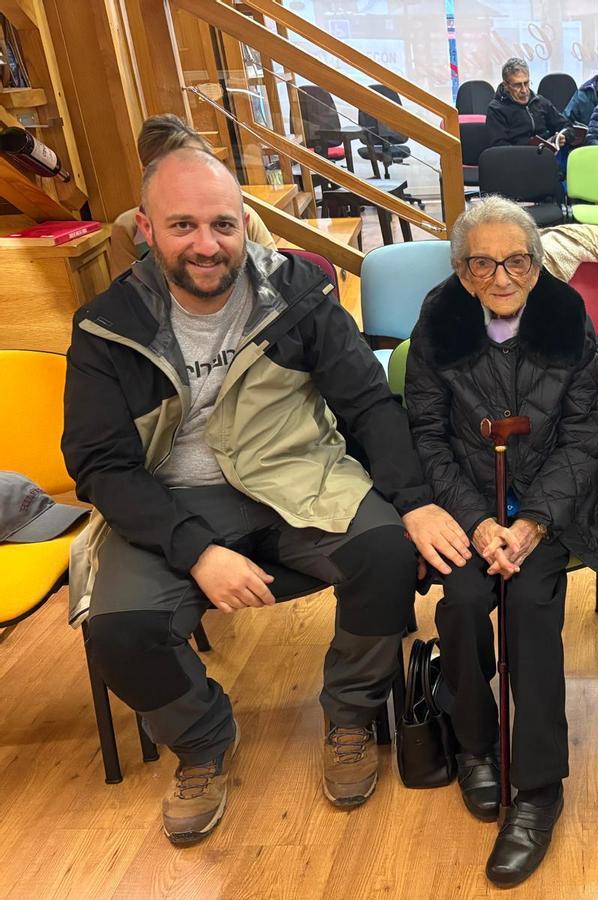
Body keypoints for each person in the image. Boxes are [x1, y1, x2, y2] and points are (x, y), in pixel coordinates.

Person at [64, 147, 470, 845]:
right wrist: (196, 551)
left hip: (295, 478)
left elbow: (368, 403)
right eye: (183, 225)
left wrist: (414, 500)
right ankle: (201, 742)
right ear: (146, 229)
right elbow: (100, 464)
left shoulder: (298, 296)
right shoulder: (107, 325)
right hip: (169, 501)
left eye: (222, 224)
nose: (206, 245)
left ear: (244, 224)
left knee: (386, 554)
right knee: (116, 627)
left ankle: (350, 715)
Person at [405, 197, 598, 887]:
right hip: (468, 507)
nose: (502, 277)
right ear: (462, 270)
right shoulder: (440, 319)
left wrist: (532, 522)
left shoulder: (565, 316)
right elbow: (426, 435)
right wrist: (478, 521)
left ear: (538, 264)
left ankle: (538, 788)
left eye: (516, 261)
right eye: (483, 264)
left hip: (549, 510)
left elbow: (585, 437)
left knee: (532, 609)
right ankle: (475, 744)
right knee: (462, 602)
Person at [110, 114, 276, 274]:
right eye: (182, 225)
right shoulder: (128, 228)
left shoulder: (241, 215)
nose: (207, 247)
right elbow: (128, 288)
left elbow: (275, 276)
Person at [484, 57, 571, 150]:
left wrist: (563, 136)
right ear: (506, 85)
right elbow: (499, 148)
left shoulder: (540, 102)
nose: (524, 90)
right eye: (517, 85)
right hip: (515, 156)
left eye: (526, 83)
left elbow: (566, 126)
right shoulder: (496, 109)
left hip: (545, 154)